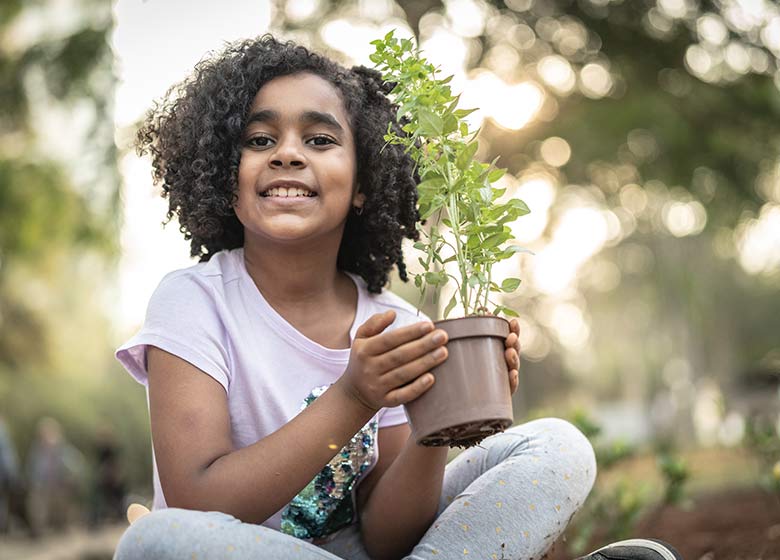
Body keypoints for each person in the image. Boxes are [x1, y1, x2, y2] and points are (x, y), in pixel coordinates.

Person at [113, 34, 682, 560]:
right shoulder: (193, 302)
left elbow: (388, 538)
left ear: (362, 184)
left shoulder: (394, 323)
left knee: (558, 446)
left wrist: (438, 423)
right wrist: (354, 398)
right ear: (222, 176)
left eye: (319, 139)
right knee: (157, 541)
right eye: (259, 140)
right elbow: (196, 498)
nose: (287, 154)